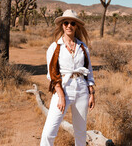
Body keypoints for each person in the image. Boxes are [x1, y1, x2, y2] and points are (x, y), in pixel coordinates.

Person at [40, 9, 95, 146]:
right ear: (62, 25)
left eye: (72, 23)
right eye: (66, 23)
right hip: (63, 88)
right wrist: (61, 95)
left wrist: (91, 93)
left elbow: (89, 71)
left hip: (82, 88)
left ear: (76, 26)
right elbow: (52, 74)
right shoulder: (54, 47)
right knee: (49, 131)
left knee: (81, 132)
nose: (69, 26)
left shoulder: (83, 47)